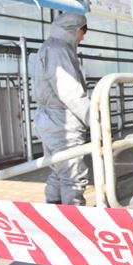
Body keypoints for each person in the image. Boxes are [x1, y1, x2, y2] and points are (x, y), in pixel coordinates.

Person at [32, 12, 90, 205]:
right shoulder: (59, 49)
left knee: (58, 171)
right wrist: (94, 119)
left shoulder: (50, 46)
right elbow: (70, 91)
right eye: (83, 32)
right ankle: (75, 222)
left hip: (49, 120)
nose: (83, 37)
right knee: (72, 176)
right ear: (75, 30)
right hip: (61, 122)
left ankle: (53, 214)